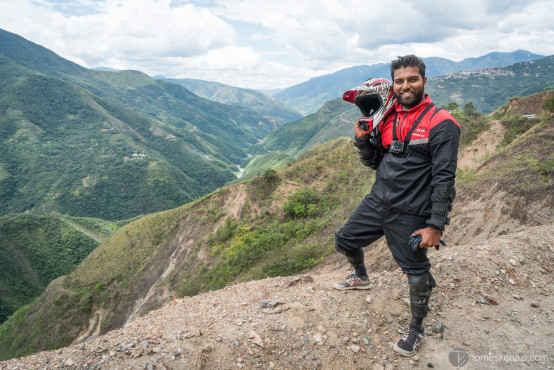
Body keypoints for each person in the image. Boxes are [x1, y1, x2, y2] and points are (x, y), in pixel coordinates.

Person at [333, 55, 460, 357]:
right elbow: (376, 162)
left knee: (415, 272)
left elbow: (444, 179)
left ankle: (416, 329)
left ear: (424, 82)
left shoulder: (441, 123)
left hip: (411, 210)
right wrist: (363, 141)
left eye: (412, 79)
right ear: (393, 85)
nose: (406, 86)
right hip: (378, 202)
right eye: (400, 81)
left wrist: (435, 225)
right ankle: (361, 277)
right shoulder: (389, 117)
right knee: (344, 240)